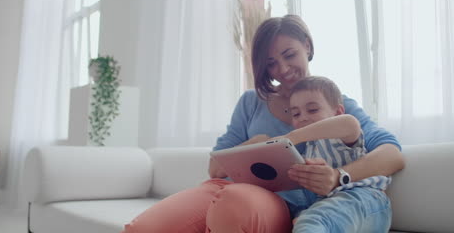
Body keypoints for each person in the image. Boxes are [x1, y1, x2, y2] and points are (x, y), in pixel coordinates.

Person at [122, 15, 405, 233]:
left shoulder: (333, 103)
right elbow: (215, 167)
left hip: (272, 202)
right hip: (222, 186)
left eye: (289, 55)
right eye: (270, 63)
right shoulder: (250, 102)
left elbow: (392, 155)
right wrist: (252, 146)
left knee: (235, 204)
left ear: (307, 46)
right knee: (141, 229)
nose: (281, 69)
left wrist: (338, 175)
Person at [277, 75, 392, 229]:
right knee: (302, 213)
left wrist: (291, 137)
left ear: (338, 112)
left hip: (364, 197)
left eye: (312, 110)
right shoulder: (309, 149)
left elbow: (350, 124)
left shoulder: (338, 135)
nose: (303, 117)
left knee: (313, 221)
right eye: (296, 114)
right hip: (328, 205)